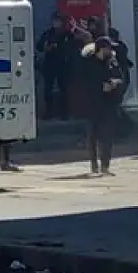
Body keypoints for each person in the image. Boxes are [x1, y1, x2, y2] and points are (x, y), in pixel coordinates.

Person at [79, 36, 127, 175]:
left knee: (107, 135)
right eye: (108, 47)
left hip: (108, 103)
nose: (110, 50)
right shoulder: (87, 63)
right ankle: (94, 164)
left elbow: (120, 78)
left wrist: (114, 84)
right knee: (92, 136)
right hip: (92, 104)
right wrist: (99, 87)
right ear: (101, 48)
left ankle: (105, 166)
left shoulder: (112, 61)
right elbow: (82, 83)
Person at [36, 13, 73, 120]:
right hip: (50, 64)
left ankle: (64, 113)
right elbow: (39, 46)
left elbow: (71, 47)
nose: (56, 23)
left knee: (63, 89)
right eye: (55, 21)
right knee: (48, 89)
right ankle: (49, 112)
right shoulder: (48, 34)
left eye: (58, 21)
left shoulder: (67, 34)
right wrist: (46, 47)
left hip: (63, 64)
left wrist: (60, 47)